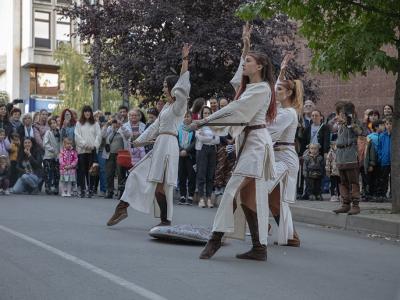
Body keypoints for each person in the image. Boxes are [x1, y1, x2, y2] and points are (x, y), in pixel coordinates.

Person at [196, 23, 277, 261]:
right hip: (249, 142)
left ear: (260, 66)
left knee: (232, 190)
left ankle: (215, 239)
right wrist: (246, 46)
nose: (244, 64)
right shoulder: (252, 86)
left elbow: (237, 109)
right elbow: (238, 87)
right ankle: (259, 248)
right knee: (247, 197)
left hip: (255, 144)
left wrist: (204, 122)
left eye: (249, 61)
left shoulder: (262, 89)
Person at [106, 43, 192, 227]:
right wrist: (138, 141)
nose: (162, 89)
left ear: (172, 87)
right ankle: (122, 208)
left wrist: (185, 61)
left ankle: (165, 220)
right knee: (137, 173)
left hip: (168, 145)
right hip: (160, 144)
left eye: (164, 86)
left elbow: (183, 87)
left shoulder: (178, 106)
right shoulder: (167, 108)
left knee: (161, 183)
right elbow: (153, 128)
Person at [266, 53, 302, 246]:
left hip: (285, 159)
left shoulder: (289, 113)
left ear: (288, 93)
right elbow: (275, 88)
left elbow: (269, 130)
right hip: (276, 156)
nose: (275, 91)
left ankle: (265, 226)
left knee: (266, 192)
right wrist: (282, 68)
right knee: (273, 200)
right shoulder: (281, 109)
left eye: (279, 89)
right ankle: (291, 236)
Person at [333, 102, 363, 215]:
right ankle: (345, 204)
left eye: (340, 112)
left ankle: (356, 205)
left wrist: (349, 122)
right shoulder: (340, 124)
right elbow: (332, 128)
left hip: (350, 154)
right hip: (341, 155)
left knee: (353, 181)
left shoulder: (354, 122)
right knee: (343, 181)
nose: (338, 115)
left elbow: (361, 132)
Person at [195, 106, 220, 208]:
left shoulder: (214, 125)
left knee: (210, 175)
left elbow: (217, 140)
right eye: (205, 113)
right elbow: (200, 138)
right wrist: (211, 137)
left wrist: (208, 138)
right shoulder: (199, 125)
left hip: (212, 150)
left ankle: (209, 198)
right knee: (201, 174)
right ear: (202, 115)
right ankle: (201, 198)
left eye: (208, 113)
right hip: (202, 150)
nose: (206, 115)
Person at [74, 106, 101, 198]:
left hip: (92, 151)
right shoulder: (79, 123)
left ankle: (90, 189)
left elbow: (99, 136)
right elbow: (77, 136)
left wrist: (94, 145)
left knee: (92, 171)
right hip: (82, 151)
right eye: (85, 111)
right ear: (83, 113)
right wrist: (85, 145)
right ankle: (82, 189)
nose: (87, 113)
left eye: (89, 111)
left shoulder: (95, 124)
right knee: (82, 171)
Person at [102, 118, 125, 199]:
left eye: (116, 122)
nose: (115, 124)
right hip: (109, 154)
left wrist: (121, 125)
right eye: (113, 122)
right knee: (109, 173)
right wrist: (107, 124)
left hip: (120, 154)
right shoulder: (109, 130)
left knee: (120, 173)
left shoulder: (122, 129)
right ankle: (110, 191)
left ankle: (120, 192)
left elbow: (128, 135)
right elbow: (103, 135)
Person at [177, 111, 196, 205]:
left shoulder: (194, 128)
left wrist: (187, 151)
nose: (186, 118)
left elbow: (195, 142)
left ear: (191, 118)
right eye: (184, 116)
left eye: (188, 116)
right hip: (180, 155)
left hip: (190, 155)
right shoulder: (178, 128)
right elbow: (176, 140)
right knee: (181, 175)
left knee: (191, 175)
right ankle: (182, 195)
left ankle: (191, 196)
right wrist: (181, 150)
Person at [364, 120, 385, 201]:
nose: (384, 127)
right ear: (376, 127)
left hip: (380, 161)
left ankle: (377, 194)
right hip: (373, 161)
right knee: (372, 178)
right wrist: (370, 163)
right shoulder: (370, 137)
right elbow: (367, 152)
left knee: (379, 178)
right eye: (382, 125)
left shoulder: (383, 135)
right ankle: (371, 194)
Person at [43, 117, 61, 195]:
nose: (53, 124)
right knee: (48, 172)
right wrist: (52, 149)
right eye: (51, 123)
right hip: (48, 156)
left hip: (57, 156)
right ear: (49, 125)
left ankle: (56, 187)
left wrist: (60, 152)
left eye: (54, 123)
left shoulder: (59, 132)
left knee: (57, 172)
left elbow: (61, 143)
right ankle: (48, 187)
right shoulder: (48, 132)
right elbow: (45, 143)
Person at [376, 117, 392, 202]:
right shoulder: (382, 136)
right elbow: (379, 148)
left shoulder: (396, 135)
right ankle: (383, 194)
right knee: (383, 178)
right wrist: (380, 157)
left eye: (390, 124)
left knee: (393, 178)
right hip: (384, 160)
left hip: (394, 162)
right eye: (387, 124)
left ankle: (393, 194)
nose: (389, 126)